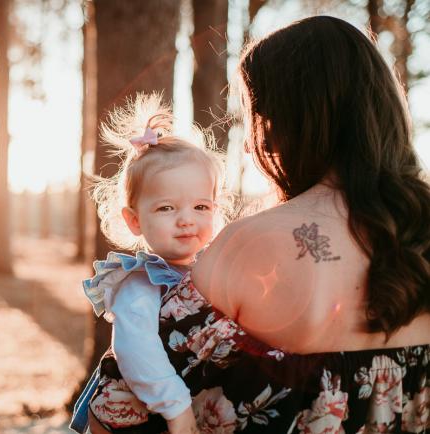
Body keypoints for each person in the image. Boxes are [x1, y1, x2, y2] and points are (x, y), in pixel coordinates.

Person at [86, 15, 430, 433]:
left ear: (288, 120)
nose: (249, 144)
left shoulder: (248, 245)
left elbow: (117, 407)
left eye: (254, 118)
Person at [72, 92, 227, 433]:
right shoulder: (144, 281)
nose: (187, 220)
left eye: (201, 207)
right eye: (167, 208)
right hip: (146, 413)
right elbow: (135, 349)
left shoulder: (213, 267)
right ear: (134, 220)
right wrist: (176, 407)